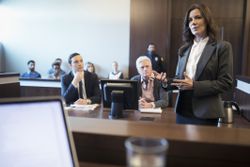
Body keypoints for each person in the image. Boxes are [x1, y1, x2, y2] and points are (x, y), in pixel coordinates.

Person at [161, 3, 233, 126]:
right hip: (182, 111)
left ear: (207, 20)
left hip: (206, 113)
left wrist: (195, 85)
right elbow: (181, 81)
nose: (193, 22)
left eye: (198, 17)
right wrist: (165, 81)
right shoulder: (183, 50)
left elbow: (226, 83)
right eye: (190, 20)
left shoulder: (222, 47)